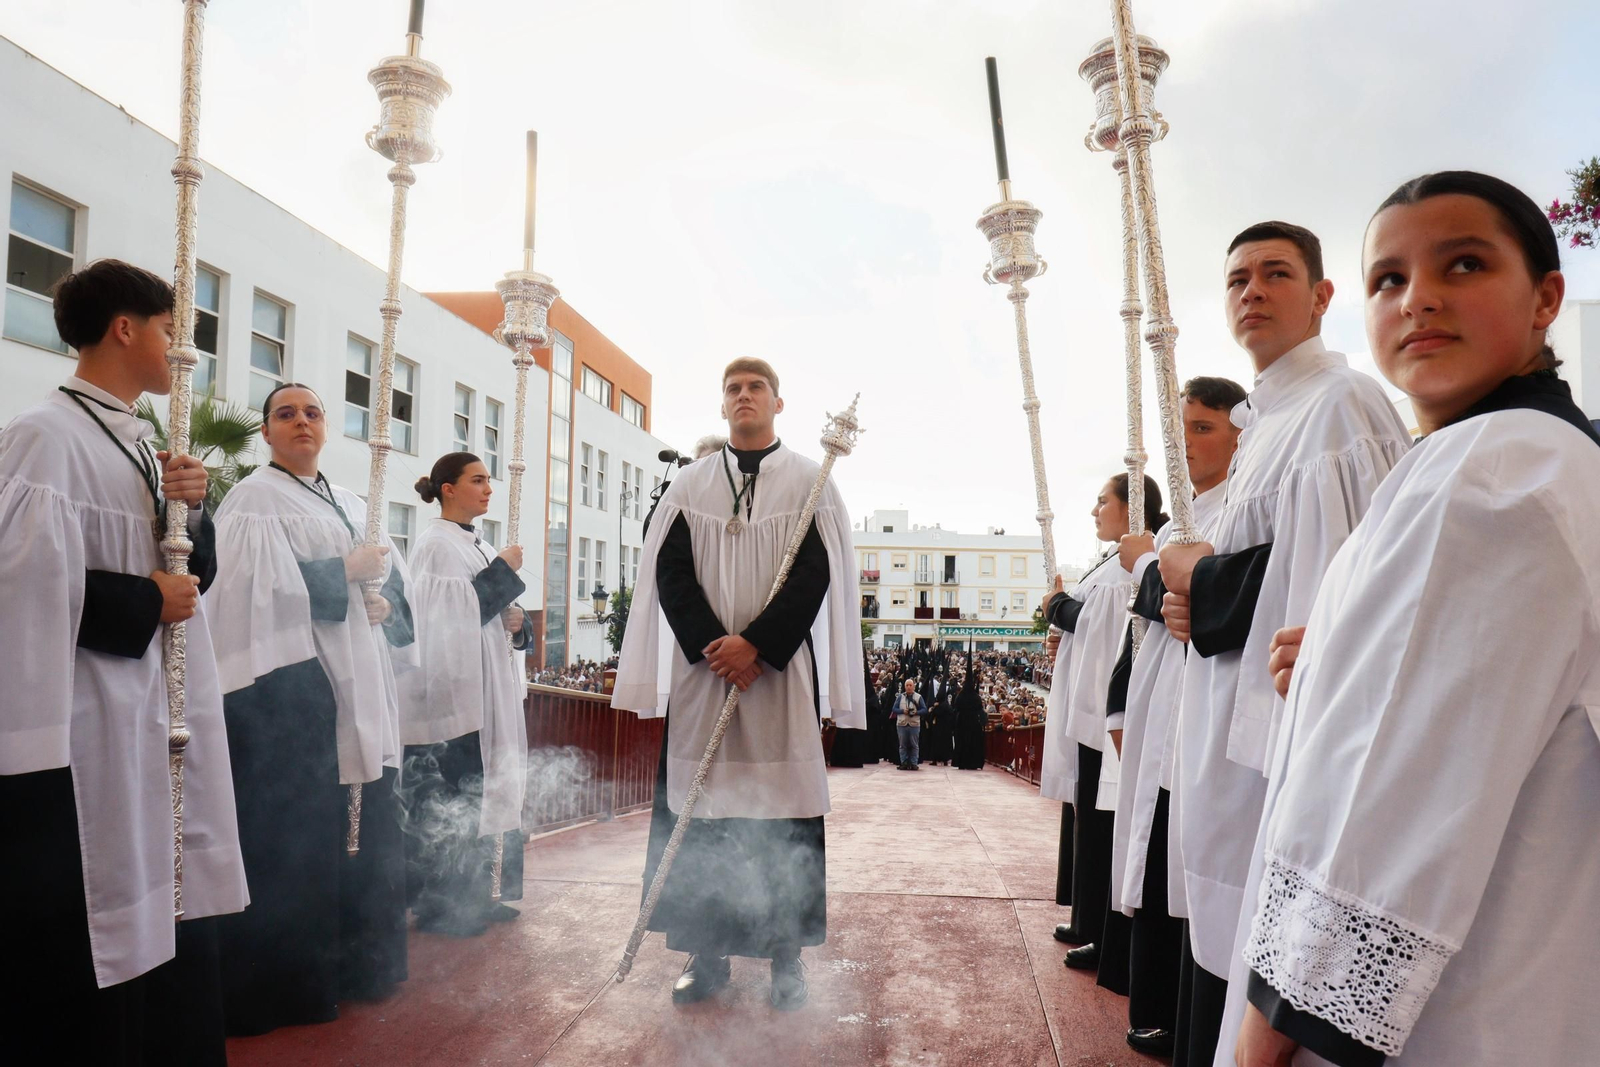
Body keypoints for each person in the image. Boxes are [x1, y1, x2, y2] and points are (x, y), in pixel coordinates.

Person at [1222, 172, 1600, 1067]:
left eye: (1464, 263)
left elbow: (1389, 794)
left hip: (1437, 1013)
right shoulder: (1543, 458)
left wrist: (1261, 1036)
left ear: (1545, 295)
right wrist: (1334, 661)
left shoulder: (1490, 473)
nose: (1419, 297)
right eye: (1388, 280)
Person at [1156, 221, 1411, 1067]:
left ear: (1322, 295)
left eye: (1275, 274)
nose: (1252, 292)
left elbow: (1334, 589)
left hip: (1276, 749)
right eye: (1237, 279)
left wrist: (1199, 575)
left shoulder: (1342, 408)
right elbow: (1250, 572)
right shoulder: (1268, 421)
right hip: (1226, 734)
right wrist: (1199, 591)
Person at [0, 259, 249, 1065]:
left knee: (165, 914)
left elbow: (191, 576)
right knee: (92, 932)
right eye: (175, 330)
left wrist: (194, 507)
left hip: (151, 716)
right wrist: (146, 601)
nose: (183, 352)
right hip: (86, 730)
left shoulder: (146, 444)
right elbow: (23, 589)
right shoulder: (45, 436)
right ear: (126, 327)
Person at [613, 357, 864, 1011]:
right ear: (722, 406)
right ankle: (708, 952)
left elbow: (814, 574)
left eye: (756, 387)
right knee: (703, 821)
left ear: (779, 402)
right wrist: (712, 643)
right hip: (705, 678)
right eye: (733, 388)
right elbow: (669, 571)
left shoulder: (811, 481)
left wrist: (759, 645)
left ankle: (786, 960)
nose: (744, 395)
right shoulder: (688, 484)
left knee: (781, 820)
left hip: (777, 680)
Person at [208, 383, 416, 1035]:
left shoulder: (357, 501)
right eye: (286, 413)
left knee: (365, 831)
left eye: (313, 412)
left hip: (362, 685)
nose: (301, 421)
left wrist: (386, 607)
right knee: (294, 838)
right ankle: (289, 986)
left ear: (327, 428)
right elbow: (247, 600)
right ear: (266, 432)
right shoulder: (252, 501)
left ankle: (362, 967)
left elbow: (394, 593)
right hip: (296, 697)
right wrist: (340, 573)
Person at [1104, 377, 1246, 1057]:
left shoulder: (1235, 508)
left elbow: (1204, 578)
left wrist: (1150, 565)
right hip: (1164, 703)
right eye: (1181, 429)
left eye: (1203, 428)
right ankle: (1154, 1002)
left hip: (1207, 710)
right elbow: (1155, 598)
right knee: (1159, 857)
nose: (1186, 444)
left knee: (1189, 869)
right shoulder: (1174, 524)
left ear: (1239, 433)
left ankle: (1175, 1017)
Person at [398, 452, 533, 936]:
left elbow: (494, 614)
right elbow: (446, 620)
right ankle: (446, 904)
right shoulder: (436, 545)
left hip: (486, 687)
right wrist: (502, 570)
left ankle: (482, 893)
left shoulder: (474, 543)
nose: (488, 489)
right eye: (478, 481)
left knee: (483, 792)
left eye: (490, 480)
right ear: (448, 489)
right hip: (454, 697)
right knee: (455, 796)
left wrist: (518, 624)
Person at [1041, 473, 1162, 973]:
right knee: (1085, 823)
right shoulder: (1112, 559)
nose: (1094, 510)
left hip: (1104, 718)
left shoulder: (1133, 564)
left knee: (1102, 828)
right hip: (1087, 711)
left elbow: (1108, 625)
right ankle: (1087, 917)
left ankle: (1100, 927)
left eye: (1102, 501)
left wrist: (1060, 609)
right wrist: (1061, 630)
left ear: (1132, 507)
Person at [953, 646, 988, 770]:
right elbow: (980, 709)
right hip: (973, 723)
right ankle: (973, 763)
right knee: (973, 742)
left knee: (962, 742)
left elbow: (956, 707)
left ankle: (962, 762)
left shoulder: (960, 696)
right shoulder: (976, 697)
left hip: (962, 722)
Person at [892, 677, 926, 770]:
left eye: (910, 685)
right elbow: (894, 709)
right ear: (904, 687)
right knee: (902, 745)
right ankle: (904, 762)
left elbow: (924, 709)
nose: (909, 687)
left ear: (914, 686)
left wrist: (916, 712)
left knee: (914, 745)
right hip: (902, 724)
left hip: (914, 724)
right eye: (907, 685)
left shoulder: (918, 697)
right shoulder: (900, 697)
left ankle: (914, 763)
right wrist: (903, 711)